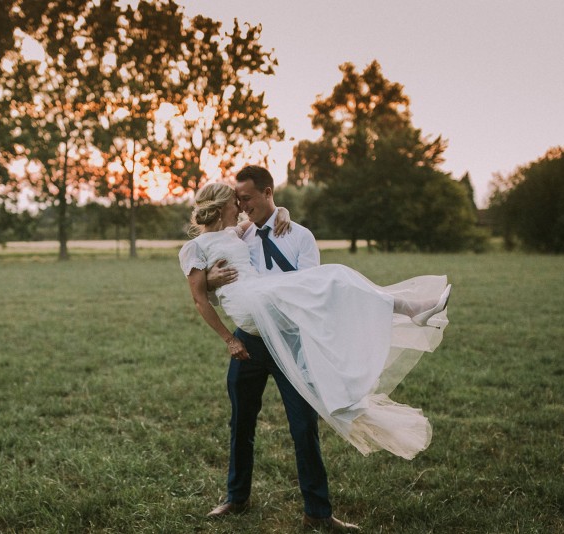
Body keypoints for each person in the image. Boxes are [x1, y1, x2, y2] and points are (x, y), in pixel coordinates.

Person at [178, 166, 450, 532]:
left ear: (268, 194)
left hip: (290, 339)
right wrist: (214, 293)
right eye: (236, 201)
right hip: (250, 340)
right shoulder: (235, 235)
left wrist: (282, 214)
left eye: (246, 199)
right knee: (241, 423)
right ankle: (235, 497)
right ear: (222, 206)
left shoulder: (293, 234)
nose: (241, 207)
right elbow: (202, 287)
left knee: (304, 426)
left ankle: (318, 513)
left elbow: (308, 288)